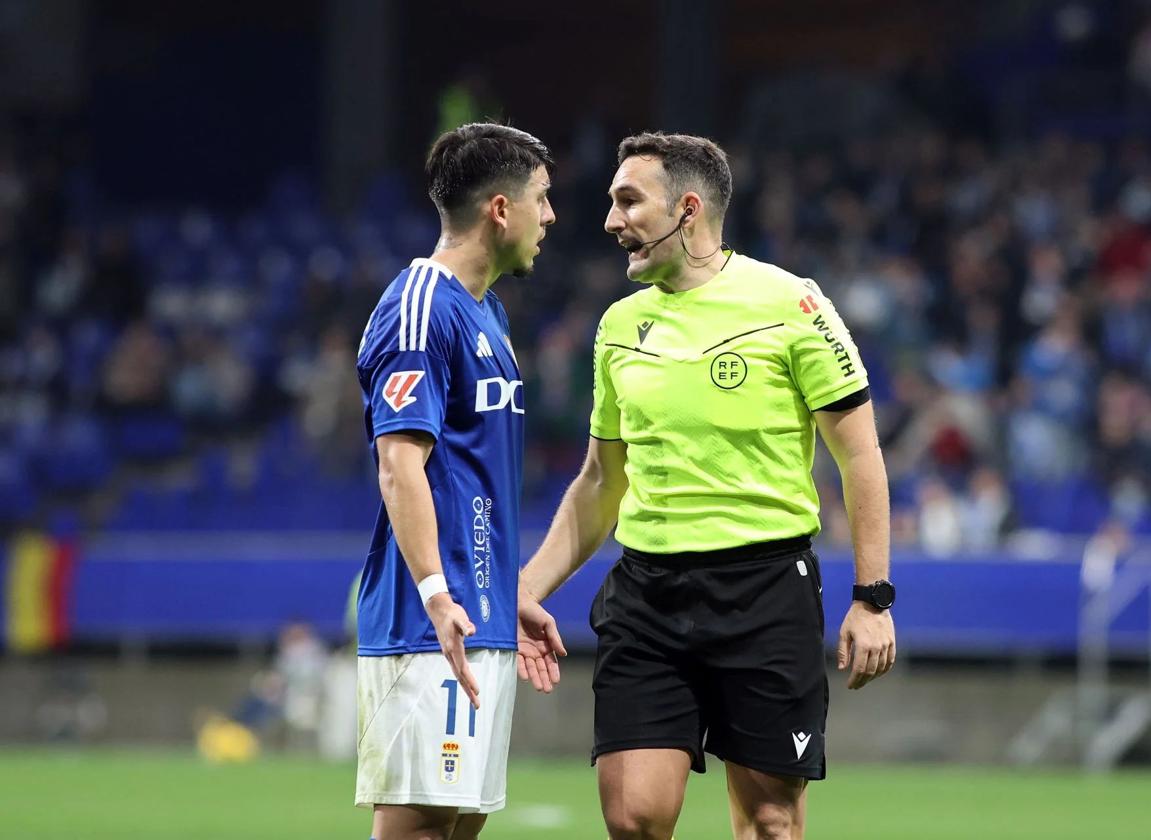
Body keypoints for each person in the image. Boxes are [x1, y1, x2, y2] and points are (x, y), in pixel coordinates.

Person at [516, 133, 896, 839]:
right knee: (633, 818)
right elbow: (601, 481)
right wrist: (524, 589)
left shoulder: (794, 304)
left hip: (765, 591)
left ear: (687, 209)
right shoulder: (618, 326)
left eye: (628, 201)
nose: (609, 220)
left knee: (772, 822)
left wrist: (872, 598)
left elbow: (861, 456)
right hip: (648, 597)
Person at [355, 122, 566, 840]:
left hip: (480, 615)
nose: (552, 217)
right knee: (417, 829)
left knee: (457, 829)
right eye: (542, 198)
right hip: (430, 623)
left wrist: (504, 595)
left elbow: (471, 474)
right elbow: (399, 462)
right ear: (499, 209)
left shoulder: (489, 312)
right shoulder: (421, 305)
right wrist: (438, 593)